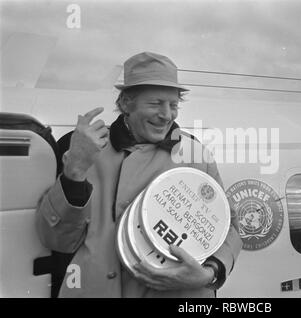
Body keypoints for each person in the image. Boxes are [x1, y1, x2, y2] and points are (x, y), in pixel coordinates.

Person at [35, 52, 242, 297]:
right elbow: (56, 239)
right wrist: (75, 171)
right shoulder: (83, 148)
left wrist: (210, 273)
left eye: (173, 105)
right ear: (125, 104)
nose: (167, 114)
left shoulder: (194, 154)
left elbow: (228, 229)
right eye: (155, 103)